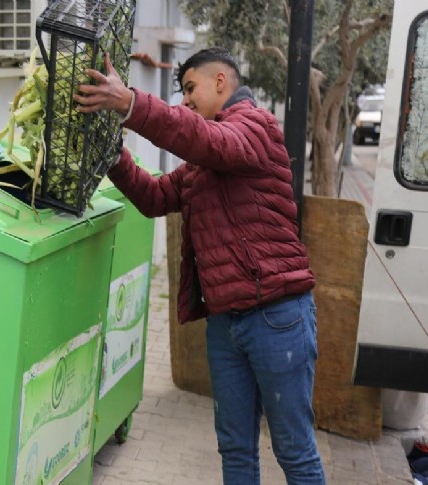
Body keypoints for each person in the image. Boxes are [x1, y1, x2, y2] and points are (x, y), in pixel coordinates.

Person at [75, 47, 325, 484]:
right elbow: (155, 198)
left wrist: (132, 104)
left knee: (293, 449)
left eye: (191, 88)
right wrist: (114, 157)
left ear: (221, 83)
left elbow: (208, 141)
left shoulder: (254, 126)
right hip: (227, 324)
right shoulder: (202, 165)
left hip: (277, 317)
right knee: (234, 448)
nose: (186, 100)